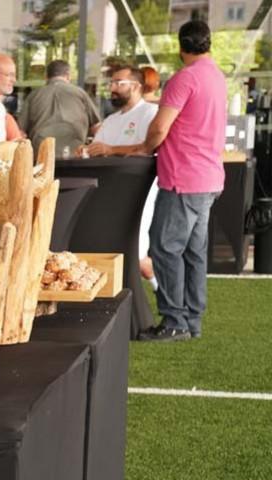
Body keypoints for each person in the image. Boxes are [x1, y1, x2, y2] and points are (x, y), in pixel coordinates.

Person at [131, 20, 227, 341]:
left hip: (183, 178)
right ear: (208, 43)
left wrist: (144, 148)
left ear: (181, 46)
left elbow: (160, 129)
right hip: (209, 178)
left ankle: (173, 322)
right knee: (193, 252)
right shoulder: (217, 77)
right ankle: (191, 321)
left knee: (164, 248)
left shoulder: (183, 79)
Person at [81, 67, 161, 293]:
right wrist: (87, 150)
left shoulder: (150, 113)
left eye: (118, 83)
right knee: (117, 246)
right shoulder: (111, 119)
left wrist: (111, 149)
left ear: (135, 86)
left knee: (136, 250)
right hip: (108, 191)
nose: (112, 88)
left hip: (139, 190)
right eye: (112, 83)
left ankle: (167, 296)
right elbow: (98, 147)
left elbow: (149, 147)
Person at [19, 60, 101, 155]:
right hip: (74, 153)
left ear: (46, 77)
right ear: (68, 75)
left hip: (40, 153)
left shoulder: (33, 96)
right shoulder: (80, 93)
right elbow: (96, 128)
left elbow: (21, 133)